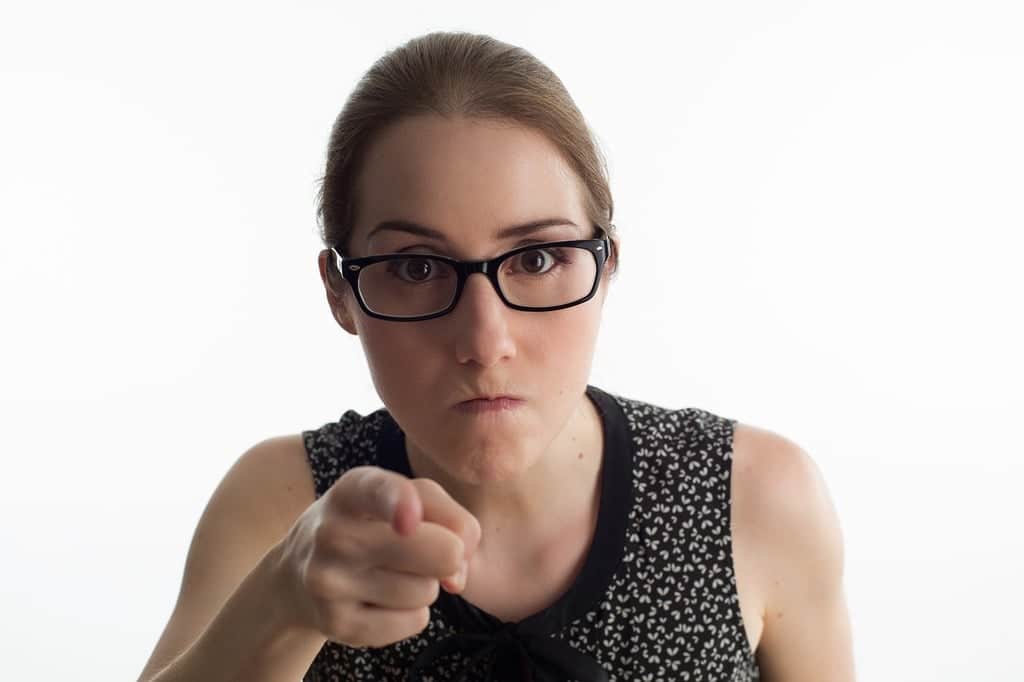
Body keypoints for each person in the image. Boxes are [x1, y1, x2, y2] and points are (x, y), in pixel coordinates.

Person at [137, 31, 855, 682]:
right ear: (339, 293)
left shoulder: (754, 497)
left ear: (605, 268)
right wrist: (281, 604)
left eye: (538, 258)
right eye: (417, 268)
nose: (485, 343)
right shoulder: (281, 501)